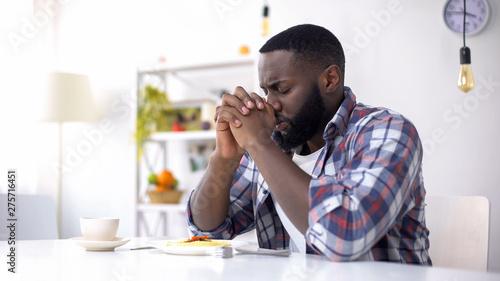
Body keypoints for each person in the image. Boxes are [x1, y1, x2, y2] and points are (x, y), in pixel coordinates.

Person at [187, 24, 431, 264]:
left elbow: (344, 236)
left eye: (282, 89)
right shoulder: (272, 141)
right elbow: (207, 233)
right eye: (265, 91)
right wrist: (224, 158)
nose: (271, 104)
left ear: (330, 79)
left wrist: (259, 145)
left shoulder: (387, 131)